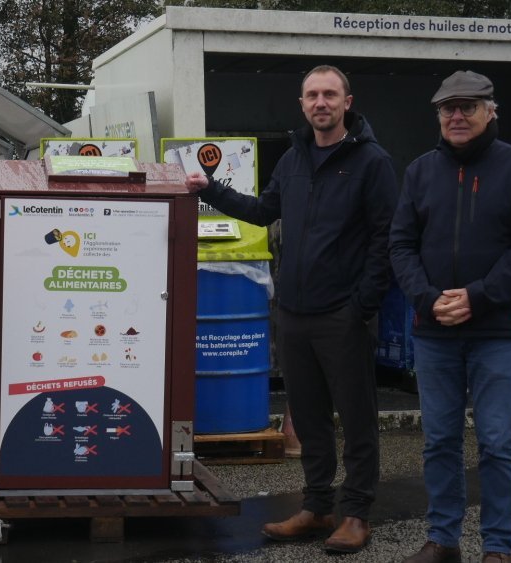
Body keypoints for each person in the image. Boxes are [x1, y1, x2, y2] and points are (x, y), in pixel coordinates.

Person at [185, 65, 397, 554]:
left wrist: (362, 304)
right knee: (308, 417)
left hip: (343, 314)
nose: (320, 102)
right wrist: (211, 190)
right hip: (295, 313)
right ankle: (318, 506)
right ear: (302, 104)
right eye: (311, 95)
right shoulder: (294, 158)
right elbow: (264, 211)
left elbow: (387, 239)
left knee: (357, 418)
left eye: (329, 94)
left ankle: (358, 514)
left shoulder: (372, 162)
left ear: (347, 102)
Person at [389, 71, 511, 563]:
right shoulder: (419, 171)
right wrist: (425, 297)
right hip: (435, 330)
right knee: (439, 441)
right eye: (447, 108)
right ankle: (443, 540)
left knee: (498, 442)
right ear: (438, 115)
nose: (457, 116)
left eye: (468, 106)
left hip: (498, 330)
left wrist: (478, 297)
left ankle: (498, 548)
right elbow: (400, 244)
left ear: (490, 111)